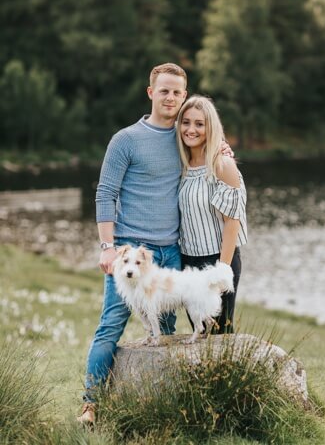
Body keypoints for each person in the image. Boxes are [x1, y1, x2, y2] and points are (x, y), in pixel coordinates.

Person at [80, 63, 188, 424]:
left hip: (169, 253)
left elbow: (212, 160)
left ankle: (163, 407)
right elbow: (106, 193)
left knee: (167, 331)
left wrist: (225, 155)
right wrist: (106, 246)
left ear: (184, 97)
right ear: (151, 93)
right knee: (111, 324)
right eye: (164, 90)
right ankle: (90, 404)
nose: (170, 97)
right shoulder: (125, 139)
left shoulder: (185, 138)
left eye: (177, 92)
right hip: (129, 253)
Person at [175, 95, 247, 336]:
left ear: (210, 127)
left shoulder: (222, 165)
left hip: (218, 259)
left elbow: (231, 222)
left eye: (199, 123)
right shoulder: (181, 165)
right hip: (188, 262)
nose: (191, 129)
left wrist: (221, 272)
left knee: (220, 334)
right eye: (186, 122)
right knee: (199, 331)